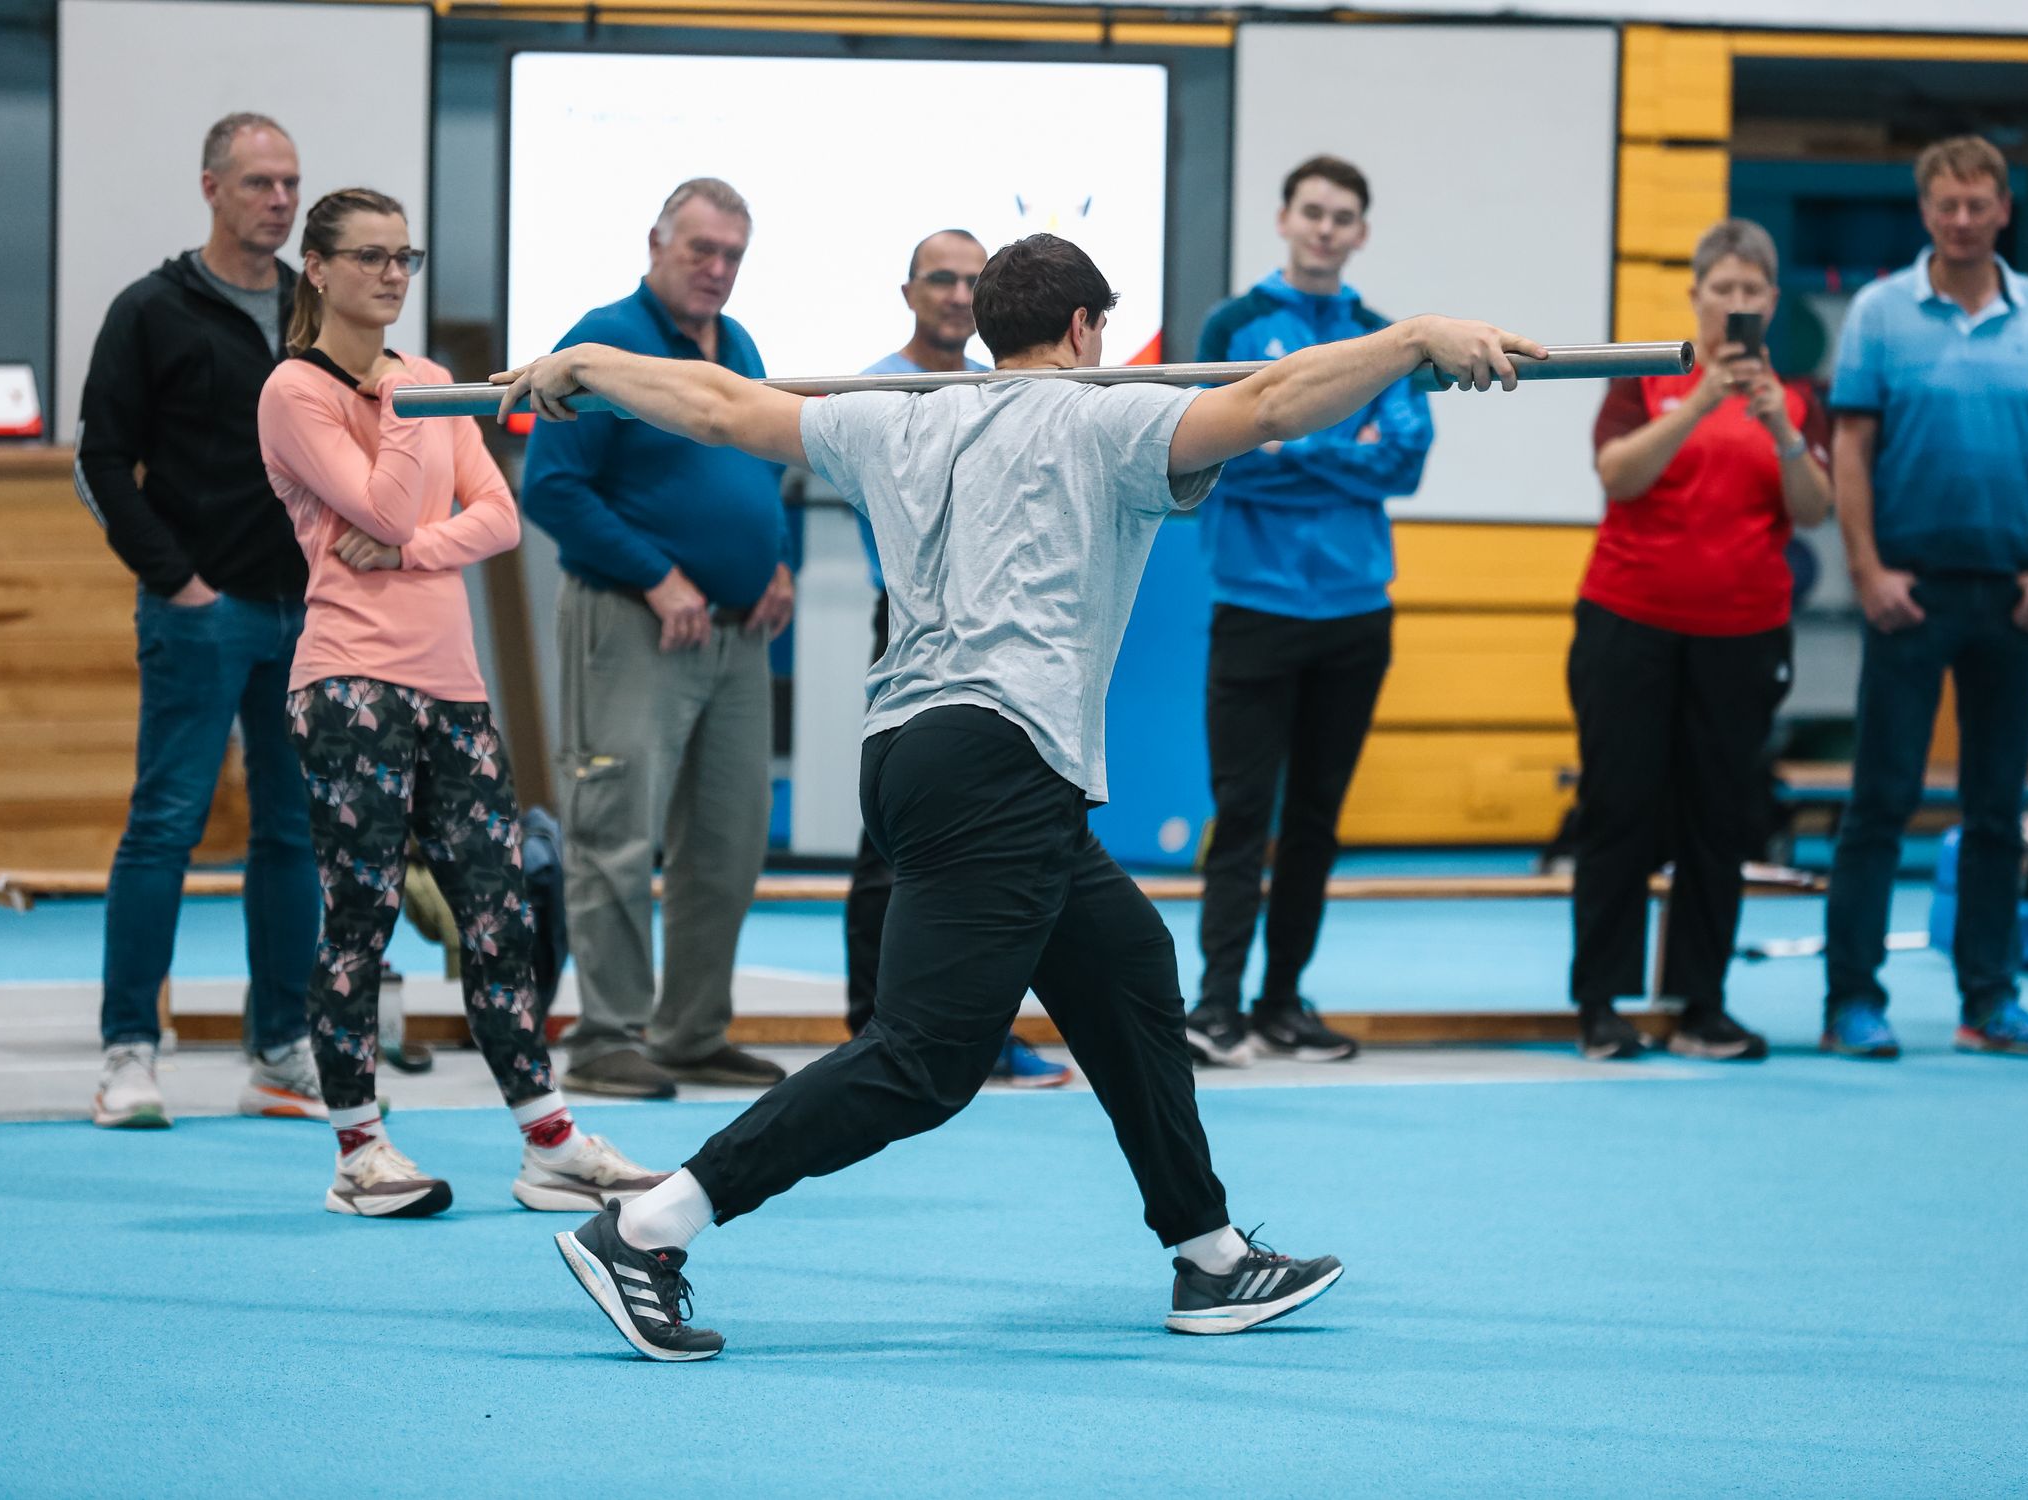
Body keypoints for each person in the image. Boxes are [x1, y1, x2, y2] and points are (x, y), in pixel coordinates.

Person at [498, 231, 1542, 1359]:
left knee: (1128, 965)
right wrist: (1413, 339)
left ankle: (1209, 1255)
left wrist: (587, 367)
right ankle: (649, 1228)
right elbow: (1276, 403)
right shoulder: (1108, 419)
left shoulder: (896, 416)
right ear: (1086, 329)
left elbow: (713, 406)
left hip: (914, 751)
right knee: (924, 1063)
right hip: (1002, 756)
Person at [257, 187, 666, 1217]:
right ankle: (359, 1151)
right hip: (348, 681)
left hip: (451, 684)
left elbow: (497, 518)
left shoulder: (432, 380)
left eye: (406, 256)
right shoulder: (297, 392)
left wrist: (409, 551)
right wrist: (403, 425)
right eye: (369, 256)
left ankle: (550, 1142)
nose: (392, 275)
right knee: (362, 917)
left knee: (499, 913)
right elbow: (390, 500)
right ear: (318, 270)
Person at [77, 113, 324, 1129]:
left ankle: (282, 1050)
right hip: (199, 614)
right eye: (260, 183)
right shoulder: (151, 310)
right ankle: (129, 1050)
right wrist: (176, 581)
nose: (280, 200)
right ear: (212, 188)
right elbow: (99, 462)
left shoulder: (316, 311)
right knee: (165, 826)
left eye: (291, 183)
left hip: (307, 617)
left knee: (293, 833)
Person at [521, 179, 793, 1098]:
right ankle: (606, 1036)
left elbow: (757, 460)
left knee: (729, 842)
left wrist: (776, 560)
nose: (717, 269)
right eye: (700, 250)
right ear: (655, 244)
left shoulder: (738, 343)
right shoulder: (603, 343)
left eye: (732, 256)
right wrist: (656, 575)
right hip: (632, 624)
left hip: (737, 635)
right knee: (615, 830)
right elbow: (552, 488)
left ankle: (690, 1033)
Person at [1822, 135, 2028, 1060]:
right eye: (1947, 206)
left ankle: (1990, 1002)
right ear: (1925, 211)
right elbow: (1851, 447)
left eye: (1979, 205)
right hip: (1909, 592)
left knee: (1996, 809)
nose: (1963, 220)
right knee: (1880, 803)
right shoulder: (1879, 312)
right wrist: (1866, 572)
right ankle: (1852, 1002)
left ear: (2004, 210)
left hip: (2012, 596)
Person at [1183, 155, 1432, 1068]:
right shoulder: (1234, 326)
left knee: (1317, 822)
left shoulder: (1384, 337)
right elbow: (1219, 458)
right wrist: (1339, 444)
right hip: (1255, 606)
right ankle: (1215, 1007)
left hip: (1356, 615)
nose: (1326, 228)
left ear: (1360, 232)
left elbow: (1404, 461)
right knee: (1243, 814)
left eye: (1342, 216)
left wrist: (1288, 438)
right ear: (1285, 218)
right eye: (1313, 212)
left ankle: (1281, 1002)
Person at [1572, 219, 1833, 1062]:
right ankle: (1601, 1004)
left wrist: (1781, 430)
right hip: (1629, 624)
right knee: (1618, 811)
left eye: (1752, 290)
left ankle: (1700, 1005)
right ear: (1697, 297)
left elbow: (1813, 509)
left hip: (1742, 637)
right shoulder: (1646, 379)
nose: (1736, 303)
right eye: (1723, 289)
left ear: (1773, 302)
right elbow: (1618, 475)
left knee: (1721, 820)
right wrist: (1702, 403)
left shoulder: (1798, 399)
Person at [841, 228, 1068, 1088]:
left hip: (1000, 629)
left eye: (975, 280)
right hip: (911, 623)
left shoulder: (1001, 393)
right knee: (892, 848)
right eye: (941, 278)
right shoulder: (874, 394)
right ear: (909, 292)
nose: (958, 294)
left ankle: (983, 1033)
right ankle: (872, 1030)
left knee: (999, 847)